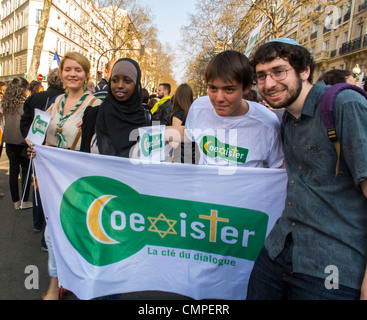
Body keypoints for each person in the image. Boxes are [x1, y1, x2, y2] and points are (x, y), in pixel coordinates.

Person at [247, 38, 367, 300]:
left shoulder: (344, 104)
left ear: (304, 71)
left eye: (279, 71)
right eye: (261, 76)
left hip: (332, 266)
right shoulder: (288, 118)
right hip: (278, 251)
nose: (268, 84)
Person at [29, 51, 102, 300]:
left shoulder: (95, 106)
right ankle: (55, 285)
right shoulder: (56, 101)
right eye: (68, 69)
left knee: (79, 236)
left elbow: (98, 150)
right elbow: (40, 133)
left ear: (86, 75)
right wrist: (34, 146)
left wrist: (89, 131)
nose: (72, 74)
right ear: (61, 74)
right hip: (52, 181)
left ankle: (79, 282)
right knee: (52, 236)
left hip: (79, 183)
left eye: (78, 70)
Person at [173, 50, 284, 169]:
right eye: (213, 88)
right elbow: (189, 138)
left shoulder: (267, 122)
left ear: (246, 88)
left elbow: (278, 169)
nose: (219, 98)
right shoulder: (198, 107)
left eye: (229, 89)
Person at [20, 68, 64, 252]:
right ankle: (47, 233)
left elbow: (25, 120)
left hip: (36, 149)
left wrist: (29, 140)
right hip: (52, 151)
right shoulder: (60, 100)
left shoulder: (34, 97)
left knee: (37, 187)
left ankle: (37, 222)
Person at [91, 57, 151, 157]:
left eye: (127, 81)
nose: (119, 85)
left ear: (136, 85)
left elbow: (155, 162)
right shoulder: (93, 115)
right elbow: (83, 160)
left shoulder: (149, 119)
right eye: (114, 80)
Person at [1, 77, 33, 210]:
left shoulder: (5, 103)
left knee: (13, 171)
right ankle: (24, 201)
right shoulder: (25, 104)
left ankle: (15, 201)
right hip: (22, 140)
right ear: (23, 89)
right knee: (26, 172)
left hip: (9, 140)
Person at [169, 83, 196, 164]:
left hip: (182, 158)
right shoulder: (194, 113)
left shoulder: (178, 114)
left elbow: (175, 141)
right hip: (194, 156)